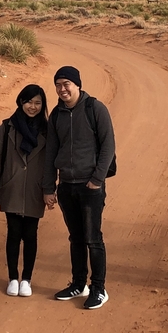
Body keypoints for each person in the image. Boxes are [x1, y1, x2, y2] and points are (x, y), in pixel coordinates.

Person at [42, 66, 115, 310]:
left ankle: (98, 288)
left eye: (67, 84)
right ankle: (78, 283)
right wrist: (49, 186)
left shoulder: (95, 108)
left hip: (90, 186)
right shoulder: (57, 115)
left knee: (93, 238)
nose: (63, 89)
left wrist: (96, 180)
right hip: (66, 186)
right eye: (59, 85)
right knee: (76, 238)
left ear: (77, 85)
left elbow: (108, 147)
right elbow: (51, 151)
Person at [0, 84, 48, 298]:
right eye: (28, 102)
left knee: (31, 235)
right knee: (13, 234)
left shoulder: (47, 130)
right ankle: (13, 278)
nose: (32, 107)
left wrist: (49, 188)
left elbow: (51, 163)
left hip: (35, 189)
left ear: (43, 105)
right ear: (20, 102)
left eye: (37, 103)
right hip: (12, 186)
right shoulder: (7, 127)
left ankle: (27, 279)